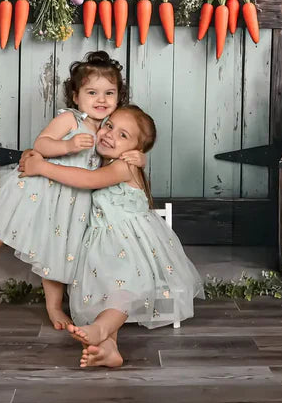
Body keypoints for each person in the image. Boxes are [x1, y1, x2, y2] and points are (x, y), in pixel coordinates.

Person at [0, 52, 142, 326]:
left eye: (109, 93)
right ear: (75, 96)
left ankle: (53, 307)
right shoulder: (71, 120)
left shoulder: (110, 129)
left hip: (72, 203)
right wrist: (68, 146)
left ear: (119, 97)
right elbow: (42, 145)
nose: (101, 100)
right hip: (39, 192)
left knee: (56, 253)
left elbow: (125, 150)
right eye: (92, 92)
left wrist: (138, 157)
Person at [20, 105, 204, 368]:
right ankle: (108, 348)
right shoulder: (98, 158)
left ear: (134, 151)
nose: (110, 135)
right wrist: (36, 155)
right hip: (99, 249)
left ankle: (99, 331)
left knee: (123, 288)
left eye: (123, 135)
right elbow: (64, 160)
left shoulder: (123, 167)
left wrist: (42, 168)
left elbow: (86, 180)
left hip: (130, 245)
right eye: (109, 125)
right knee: (106, 291)